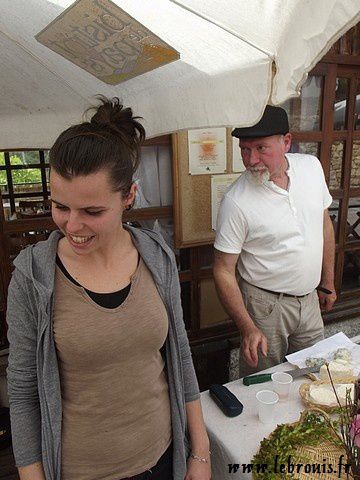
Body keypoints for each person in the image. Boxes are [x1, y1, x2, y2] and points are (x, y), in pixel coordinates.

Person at [7, 97, 211, 480]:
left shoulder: (155, 255)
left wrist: (199, 452)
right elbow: (23, 392)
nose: (72, 225)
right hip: (81, 470)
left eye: (92, 211)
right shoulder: (33, 276)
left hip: (164, 457)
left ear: (129, 196)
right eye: (60, 206)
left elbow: (180, 354)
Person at [213, 105, 336, 377]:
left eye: (261, 148)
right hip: (264, 307)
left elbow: (324, 225)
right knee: (265, 384)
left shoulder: (311, 168)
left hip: (310, 300)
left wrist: (327, 282)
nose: (251, 159)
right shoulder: (236, 201)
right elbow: (222, 270)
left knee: (314, 374)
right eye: (245, 149)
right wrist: (248, 327)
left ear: (286, 142)